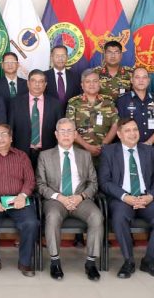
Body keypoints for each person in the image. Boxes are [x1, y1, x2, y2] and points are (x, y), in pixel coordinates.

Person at [99, 118, 154, 279]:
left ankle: (149, 260)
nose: (133, 133)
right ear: (119, 134)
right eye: (128, 130)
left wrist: (150, 196)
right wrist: (125, 197)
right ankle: (128, 261)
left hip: (146, 198)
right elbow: (104, 182)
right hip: (122, 199)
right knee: (118, 217)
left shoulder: (149, 151)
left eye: (135, 130)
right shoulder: (109, 151)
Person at [37, 118, 103, 281]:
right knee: (52, 217)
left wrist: (80, 196)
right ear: (56, 134)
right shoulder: (45, 156)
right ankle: (55, 261)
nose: (66, 135)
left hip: (80, 199)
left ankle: (91, 262)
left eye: (69, 131)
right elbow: (40, 184)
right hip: (55, 200)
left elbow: (93, 183)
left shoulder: (85, 155)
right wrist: (59, 197)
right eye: (62, 131)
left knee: (97, 216)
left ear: (75, 134)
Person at [0, 123, 39, 278]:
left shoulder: (22, 156)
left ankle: (24, 262)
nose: (0, 138)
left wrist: (22, 196)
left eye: (4, 134)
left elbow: (30, 180)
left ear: (11, 138)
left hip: (18, 199)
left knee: (31, 223)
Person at [8, 70, 63, 168]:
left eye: (41, 81)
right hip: (21, 152)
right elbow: (10, 129)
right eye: (34, 81)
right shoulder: (15, 103)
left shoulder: (55, 104)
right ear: (28, 83)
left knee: (46, 182)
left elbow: (60, 130)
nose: (37, 84)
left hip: (48, 152)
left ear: (45, 84)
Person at [66, 68, 119, 166]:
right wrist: (87, 146)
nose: (92, 84)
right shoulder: (73, 103)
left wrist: (104, 145)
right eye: (88, 81)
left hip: (104, 152)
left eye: (95, 81)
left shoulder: (109, 102)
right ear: (82, 85)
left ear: (99, 83)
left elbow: (115, 125)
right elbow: (70, 129)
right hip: (80, 153)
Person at [116, 67, 154, 154]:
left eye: (144, 77)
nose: (141, 80)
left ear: (148, 80)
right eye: (137, 77)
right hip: (128, 149)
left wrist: (148, 143)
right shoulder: (122, 100)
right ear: (132, 80)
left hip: (152, 148)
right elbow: (119, 127)